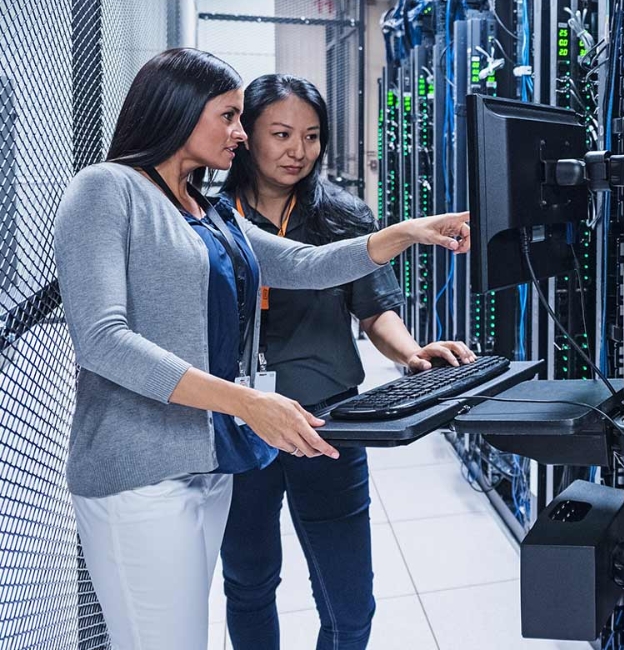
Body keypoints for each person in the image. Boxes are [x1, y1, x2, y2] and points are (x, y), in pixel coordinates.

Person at [53, 48, 470, 650]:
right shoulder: (105, 189)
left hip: (210, 462)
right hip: (142, 468)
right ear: (178, 111)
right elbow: (101, 340)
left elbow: (304, 262)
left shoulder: (205, 210)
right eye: (229, 116)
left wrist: (404, 233)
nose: (239, 133)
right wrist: (247, 403)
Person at [217, 74, 475, 650]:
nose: (298, 151)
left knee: (350, 602)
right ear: (246, 134)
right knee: (249, 584)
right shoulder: (212, 218)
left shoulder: (343, 215)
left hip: (330, 423)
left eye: (311, 136)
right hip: (241, 423)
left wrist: (411, 352)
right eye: (280, 134)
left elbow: (373, 309)